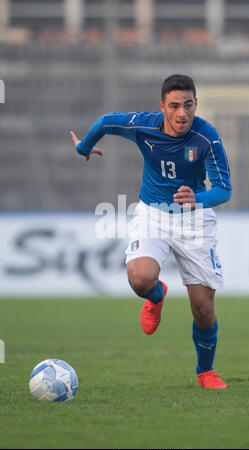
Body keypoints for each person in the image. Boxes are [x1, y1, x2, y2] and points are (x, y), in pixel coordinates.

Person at [70, 74, 231, 389]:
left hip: (194, 219)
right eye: (174, 106)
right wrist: (84, 148)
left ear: (196, 104)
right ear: (163, 107)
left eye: (188, 105)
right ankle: (157, 296)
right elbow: (105, 121)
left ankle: (205, 371)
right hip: (153, 214)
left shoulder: (206, 137)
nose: (182, 113)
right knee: (141, 279)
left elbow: (223, 190)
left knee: (203, 309)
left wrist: (197, 199)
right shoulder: (143, 125)